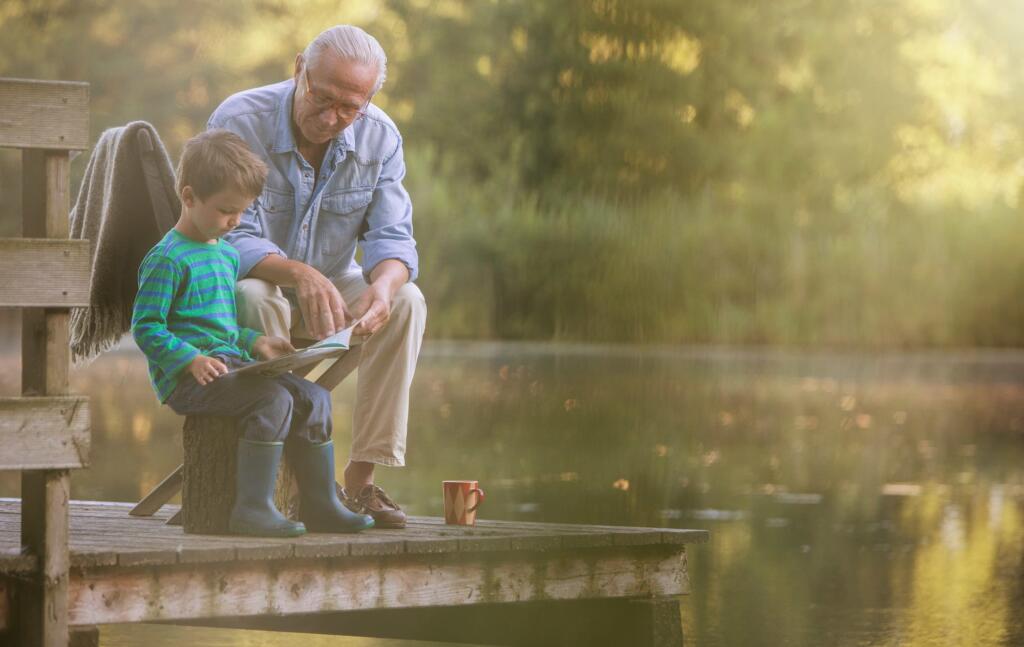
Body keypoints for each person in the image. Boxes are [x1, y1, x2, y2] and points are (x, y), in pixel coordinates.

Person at [207, 25, 427, 529]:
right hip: (254, 288)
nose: (331, 118)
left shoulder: (382, 137)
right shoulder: (240, 120)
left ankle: (359, 481)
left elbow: (394, 240)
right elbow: (228, 239)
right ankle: (281, 475)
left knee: (408, 300)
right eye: (322, 98)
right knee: (254, 294)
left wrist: (384, 288)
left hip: (331, 289)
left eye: (349, 107)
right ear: (299, 67)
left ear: (368, 100)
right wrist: (298, 273)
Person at [131, 129, 375, 537]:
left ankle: (320, 505)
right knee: (272, 399)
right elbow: (146, 328)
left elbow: (222, 329)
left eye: (243, 212)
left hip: (230, 365)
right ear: (189, 197)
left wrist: (256, 342)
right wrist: (189, 359)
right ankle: (252, 508)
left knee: (314, 397)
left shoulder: (226, 255)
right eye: (227, 211)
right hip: (187, 379)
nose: (236, 222)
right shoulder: (167, 259)